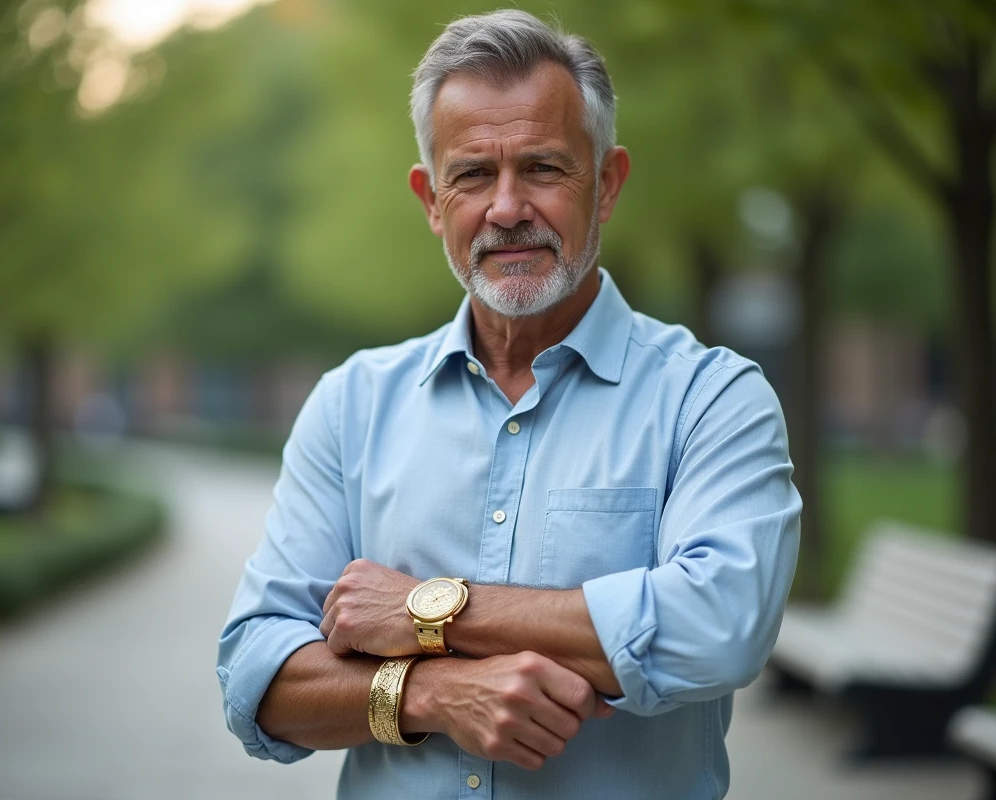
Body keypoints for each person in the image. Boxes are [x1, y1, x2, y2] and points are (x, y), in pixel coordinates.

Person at [217, 9, 801, 798]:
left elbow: (721, 627)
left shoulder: (712, 400)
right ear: (430, 199)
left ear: (607, 184)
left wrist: (427, 612)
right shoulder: (351, 405)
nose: (506, 208)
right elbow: (257, 676)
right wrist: (430, 693)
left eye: (543, 168)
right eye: (471, 175)